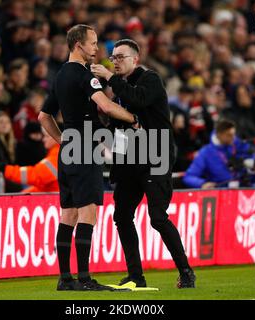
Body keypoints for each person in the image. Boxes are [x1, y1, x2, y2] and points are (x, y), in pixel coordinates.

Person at [90, 39, 196, 289]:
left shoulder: (150, 79)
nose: (114, 61)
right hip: (129, 157)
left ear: (135, 59)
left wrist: (109, 79)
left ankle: (186, 271)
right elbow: (121, 122)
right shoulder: (119, 88)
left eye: (120, 57)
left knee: (157, 217)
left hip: (155, 155)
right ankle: (135, 276)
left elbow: (138, 100)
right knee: (122, 215)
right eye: (113, 57)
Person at [38, 24, 137, 291]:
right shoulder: (85, 75)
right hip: (84, 148)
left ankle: (65, 279)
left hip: (69, 147)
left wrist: (62, 140)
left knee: (67, 214)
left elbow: (43, 116)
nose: (96, 48)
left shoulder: (59, 76)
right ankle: (84, 279)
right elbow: (104, 105)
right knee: (88, 213)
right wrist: (133, 118)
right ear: (78, 44)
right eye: (93, 43)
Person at [182, 119, 255, 189]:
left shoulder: (241, 146)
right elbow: (188, 177)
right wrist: (202, 184)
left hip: (245, 191)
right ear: (219, 135)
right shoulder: (206, 153)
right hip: (221, 195)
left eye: (233, 134)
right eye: (228, 135)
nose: (233, 138)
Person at [3, 128, 59, 193]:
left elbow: (36, 176)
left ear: (57, 137)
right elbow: (45, 185)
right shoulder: (58, 153)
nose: (43, 139)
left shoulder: (56, 155)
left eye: (46, 136)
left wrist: (7, 170)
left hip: (55, 200)